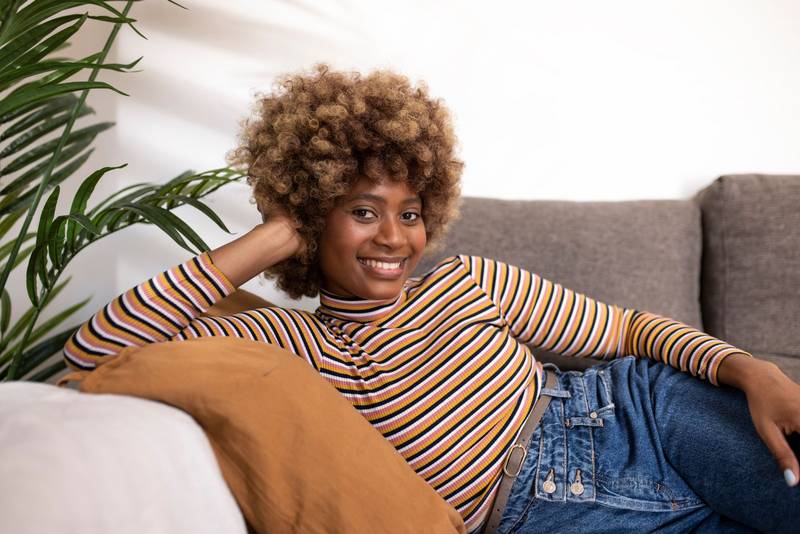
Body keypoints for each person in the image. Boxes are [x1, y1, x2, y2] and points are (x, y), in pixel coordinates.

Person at [63, 64, 800, 533]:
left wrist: (750, 370)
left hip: (639, 411)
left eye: (410, 212)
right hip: (541, 515)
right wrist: (274, 235)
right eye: (361, 210)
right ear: (314, 214)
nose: (393, 235)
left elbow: (632, 333)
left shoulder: (470, 281)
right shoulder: (288, 347)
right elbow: (95, 353)